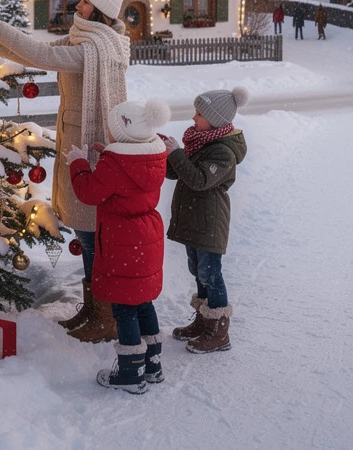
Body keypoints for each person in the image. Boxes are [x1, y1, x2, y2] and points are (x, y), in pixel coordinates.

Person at [0, 0, 134, 343]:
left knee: (91, 235)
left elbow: (43, 54)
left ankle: (105, 316)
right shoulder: (84, 39)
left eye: (85, 2)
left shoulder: (94, 49)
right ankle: (94, 309)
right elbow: (36, 54)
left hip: (90, 148)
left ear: (101, 10)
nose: (78, 5)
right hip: (76, 142)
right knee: (88, 233)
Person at [67, 99, 170, 394]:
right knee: (143, 303)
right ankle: (152, 365)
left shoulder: (115, 165)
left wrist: (78, 164)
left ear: (121, 135)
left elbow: (89, 191)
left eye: (112, 130)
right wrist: (108, 156)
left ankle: (130, 373)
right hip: (146, 238)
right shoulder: (152, 156)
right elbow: (129, 174)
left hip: (122, 241)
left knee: (124, 309)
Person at [163, 87, 249, 354]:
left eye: (199, 113)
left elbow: (198, 180)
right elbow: (177, 173)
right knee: (197, 271)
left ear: (215, 119)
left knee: (210, 274)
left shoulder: (223, 152)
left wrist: (177, 154)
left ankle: (219, 333)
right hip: (195, 220)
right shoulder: (200, 141)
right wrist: (164, 153)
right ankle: (204, 322)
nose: (194, 117)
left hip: (210, 223)